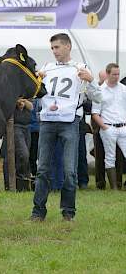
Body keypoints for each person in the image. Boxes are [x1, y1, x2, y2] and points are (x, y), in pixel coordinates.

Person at [31, 33, 101, 222]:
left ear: (68, 46)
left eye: (57, 47)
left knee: (70, 170)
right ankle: (38, 212)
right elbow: (35, 94)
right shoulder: (46, 68)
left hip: (69, 123)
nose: (54, 51)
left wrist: (91, 80)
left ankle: (68, 212)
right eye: (52, 48)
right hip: (47, 122)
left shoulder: (80, 68)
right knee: (42, 169)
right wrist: (37, 80)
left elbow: (98, 97)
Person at [92, 63, 126, 190]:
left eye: (118, 74)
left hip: (123, 127)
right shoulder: (99, 91)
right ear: (107, 74)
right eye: (114, 74)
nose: (117, 77)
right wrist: (104, 127)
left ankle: (120, 184)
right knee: (110, 157)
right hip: (108, 127)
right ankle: (114, 188)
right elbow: (95, 113)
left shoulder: (123, 89)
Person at [3, 98, 33, 191]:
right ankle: (17, 181)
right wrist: (17, 101)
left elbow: (31, 107)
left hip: (26, 127)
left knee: (24, 156)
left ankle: (21, 184)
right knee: (22, 154)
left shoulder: (26, 90)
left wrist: (24, 102)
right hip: (14, 126)